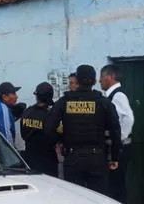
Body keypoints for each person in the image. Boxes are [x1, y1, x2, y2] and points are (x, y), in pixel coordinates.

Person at [44, 65, 122, 194]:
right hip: (97, 158)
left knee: (75, 201)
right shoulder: (103, 102)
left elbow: (48, 128)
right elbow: (115, 131)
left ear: (77, 80)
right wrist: (114, 157)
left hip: (73, 157)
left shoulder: (64, 102)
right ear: (95, 81)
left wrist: (61, 142)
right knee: (98, 201)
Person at [100, 64, 134, 204]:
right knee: (114, 183)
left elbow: (128, 118)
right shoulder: (112, 95)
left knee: (116, 185)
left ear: (111, 77)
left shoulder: (118, 95)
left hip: (118, 147)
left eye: (102, 77)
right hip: (116, 146)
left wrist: (118, 140)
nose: (99, 80)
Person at [20, 82, 58, 177]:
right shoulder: (51, 114)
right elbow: (55, 136)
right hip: (47, 161)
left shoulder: (27, 112)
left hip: (29, 160)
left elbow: (23, 135)